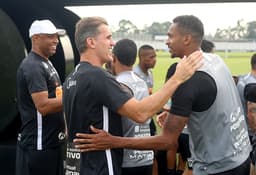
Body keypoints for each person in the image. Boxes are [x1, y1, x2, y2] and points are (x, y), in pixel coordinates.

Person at [74, 15, 251, 175]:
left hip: (216, 168)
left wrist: (113, 141)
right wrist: (179, 112)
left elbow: (166, 140)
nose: (166, 41)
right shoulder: (216, 60)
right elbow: (210, 102)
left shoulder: (186, 79)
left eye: (170, 36)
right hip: (241, 156)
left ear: (187, 39)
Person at [62, 16, 202, 175]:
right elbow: (141, 114)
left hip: (75, 168)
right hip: (99, 168)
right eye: (108, 37)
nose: (113, 43)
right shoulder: (97, 76)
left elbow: (68, 131)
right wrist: (178, 78)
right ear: (91, 42)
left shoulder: (71, 78)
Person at [16, 19, 66, 175]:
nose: (56, 41)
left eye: (57, 36)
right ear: (36, 38)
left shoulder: (45, 62)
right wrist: (75, 96)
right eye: (51, 36)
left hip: (51, 143)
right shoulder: (33, 66)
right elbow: (43, 106)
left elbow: (57, 96)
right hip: (39, 146)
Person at [112, 38, 154, 175]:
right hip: (146, 156)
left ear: (114, 58)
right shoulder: (141, 82)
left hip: (126, 159)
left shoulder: (116, 84)